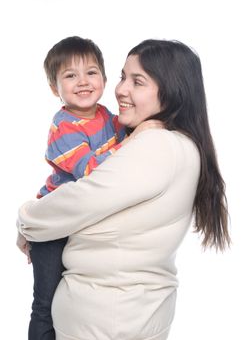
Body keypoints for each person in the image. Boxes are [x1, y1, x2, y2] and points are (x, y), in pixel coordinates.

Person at [17, 39, 230, 340]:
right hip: (122, 314)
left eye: (137, 81)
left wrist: (26, 218)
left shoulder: (155, 144)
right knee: (41, 304)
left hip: (107, 320)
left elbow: (81, 199)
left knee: (42, 306)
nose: (120, 89)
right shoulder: (168, 141)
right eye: (122, 77)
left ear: (171, 91)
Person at [17, 35, 126, 340]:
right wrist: (130, 142)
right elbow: (91, 171)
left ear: (104, 79)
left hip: (79, 218)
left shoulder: (106, 115)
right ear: (55, 88)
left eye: (91, 73)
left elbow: (132, 133)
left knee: (75, 303)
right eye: (70, 75)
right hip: (52, 223)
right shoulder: (63, 127)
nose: (83, 82)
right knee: (46, 304)